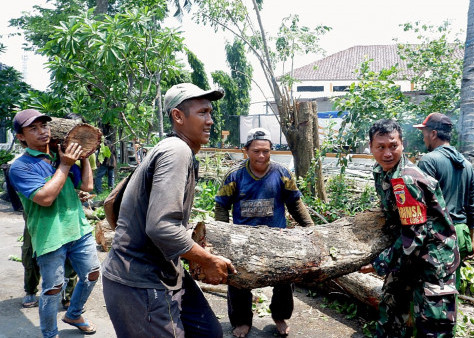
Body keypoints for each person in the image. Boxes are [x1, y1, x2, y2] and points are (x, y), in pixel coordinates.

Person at [101, 83, 235, 338]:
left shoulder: (166, 148)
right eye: (203, 113)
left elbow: (111, 202)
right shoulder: (177, 151)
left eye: (210, 113)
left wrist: (188, 250)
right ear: (178, 116)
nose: (210, 120)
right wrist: (207, 260)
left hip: (163, 272)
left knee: (208, 331)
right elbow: (161, 226)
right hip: (140, 283)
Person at [359, 119, 460, 337]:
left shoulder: (406, 179)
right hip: (407, 253)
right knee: (391, 311)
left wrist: (379, 263)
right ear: (371, 147)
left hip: (433, 259)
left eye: (393, 146)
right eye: (381, 147)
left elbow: (415, 236)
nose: (387, 153)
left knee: (434, 327)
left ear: (402, 144)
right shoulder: (382, 172)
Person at [214, 127, 314, 338]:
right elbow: (221, 206)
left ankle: (280, 316)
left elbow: (295, 203)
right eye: (256, 151)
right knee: (238, 281)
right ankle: (242, 321)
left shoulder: (282, 173)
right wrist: (221, 238)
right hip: (243, 242)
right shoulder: (234, 176)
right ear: (246, 151)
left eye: (266, 151)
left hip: (277, 240)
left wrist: (311, 230)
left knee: (285, 280)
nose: (262, 156)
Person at [9, 109, 101, 337]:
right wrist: (66, 164)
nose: (43, 132)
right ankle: (49, 333)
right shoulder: (20, 166)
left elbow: (87, 187)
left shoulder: (60, 154)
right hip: (50, 235)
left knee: (92, 274)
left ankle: (74, 313)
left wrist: (85, 155)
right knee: (53, 289)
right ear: (21, 136)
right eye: (34, 128)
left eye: (45, 126)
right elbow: (45, 198)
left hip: (78, 229)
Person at [413, 113, 474, 290]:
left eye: (424, 132)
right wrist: (471, 240)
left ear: (433, 133)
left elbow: (420, 204)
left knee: (430, 291)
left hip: (439, 236)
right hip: (461, 233)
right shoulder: (467, 165)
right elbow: (471, 207)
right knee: (450, 287)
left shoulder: (429, 161)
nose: (423, 137)